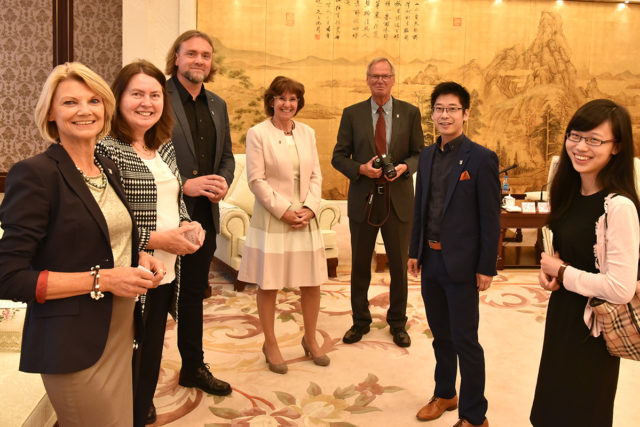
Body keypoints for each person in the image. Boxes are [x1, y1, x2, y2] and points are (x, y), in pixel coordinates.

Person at [0, 62, 164, 426]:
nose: (85, 110)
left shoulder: (107, 167)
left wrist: (138, 256)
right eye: (70, 102)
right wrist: (102, 280)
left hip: (120, 327)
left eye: (93, 100)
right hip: (71, 341)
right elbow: (9, 277)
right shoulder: (36, 174)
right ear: (51, 114)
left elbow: (105, 236)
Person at [96, 59, 205, 426]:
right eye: (137, 94)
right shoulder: (106, 149)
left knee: (151, 349)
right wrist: (160, 239)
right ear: (118, 98)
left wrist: (189, 225)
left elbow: (175, 200)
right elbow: (104, 222)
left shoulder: (164, 146)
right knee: (122, 355)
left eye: (155, 94)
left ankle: (140, 406)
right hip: (128, 273)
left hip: (165, 270)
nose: (147, 102)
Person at [531, 99, 639, 427]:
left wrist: (562, 272)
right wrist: (549, 275)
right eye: (574, 136)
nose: (580, 147)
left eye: (594, 140)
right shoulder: (569, 192)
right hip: (563, 314)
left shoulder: (619, 207)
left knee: (582, 411)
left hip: (594, 327)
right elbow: (561, 255)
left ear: (616, 147)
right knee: (551, 406)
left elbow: (619, 288)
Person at [408, 81, 499, 427]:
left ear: (466, 114)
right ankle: (445, 392)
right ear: (432, 113)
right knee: (440, 334)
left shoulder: (481, 158)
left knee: (466, 340)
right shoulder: (428, 155)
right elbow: (422, 207)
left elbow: (491, 219)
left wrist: (486, 266)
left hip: (461, 265)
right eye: (439, 109)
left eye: (452, 109)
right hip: (430, 262)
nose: (445, 115)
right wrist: (415, 250)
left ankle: (475, 415)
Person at [238, 76, 329, 374]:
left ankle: (310, 339)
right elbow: (256, 180)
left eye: (292, 99)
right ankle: (271, 343)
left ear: (298, 103)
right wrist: (285, 210)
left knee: (311, 281)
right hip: (275, 219)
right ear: (272, 101)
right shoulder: (257, 133)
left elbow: (315, 176)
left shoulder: (307, 133)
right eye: (281, 98)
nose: (287, 103)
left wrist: (310, 209)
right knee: (270, 282)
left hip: (305, 218)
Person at [332, 57, 423, 348]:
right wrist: (361, 169)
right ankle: (360, 321)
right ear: (368, 80)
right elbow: (339, 156)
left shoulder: (410, 113)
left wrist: (404, 168)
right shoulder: (352, 114)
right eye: (375, 76)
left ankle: (397, 323)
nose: (380, 81)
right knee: (360, 265)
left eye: (385, 76)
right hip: (364, 199)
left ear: (393, 79)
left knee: (398, 266)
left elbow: (420, 153)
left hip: (398, 201)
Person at [165, 30, 235, 395]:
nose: (199, 61)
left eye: (205, 55)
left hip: (204, 219)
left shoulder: (218, 105)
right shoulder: (156, 96)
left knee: (192, 295)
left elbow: (227, 157)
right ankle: (138, 379)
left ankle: (192, 367)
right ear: (176, 57)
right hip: (162, 218)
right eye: (191, 53)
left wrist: (223, 181)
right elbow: (140, 156)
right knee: (152, 298)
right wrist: (183, 184)